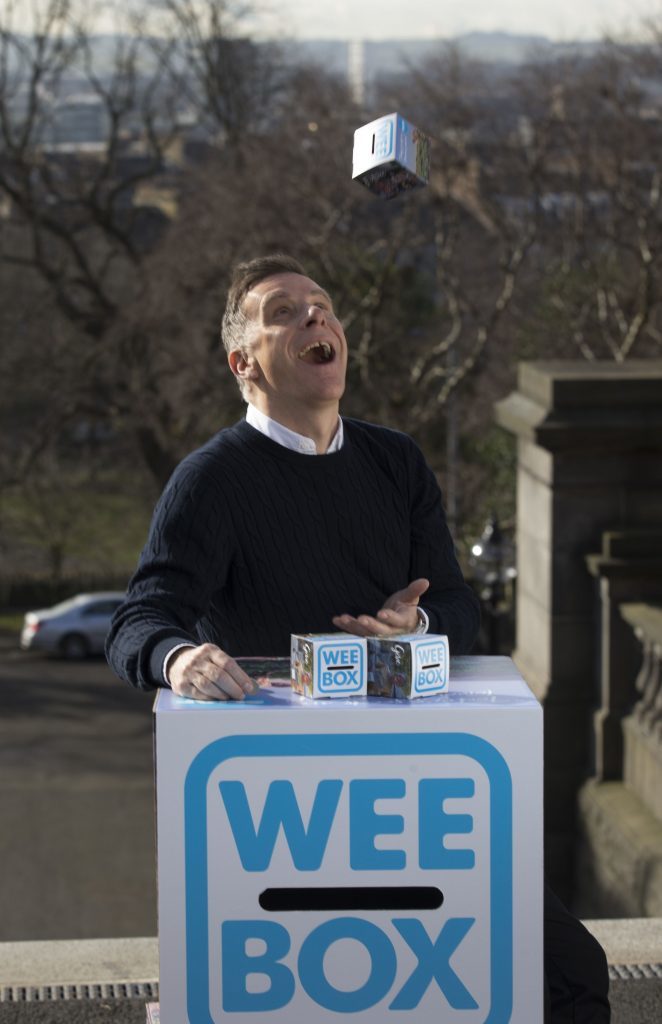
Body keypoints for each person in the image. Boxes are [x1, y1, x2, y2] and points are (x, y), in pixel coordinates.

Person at [106, 254, 610, 1022]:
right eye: (284, 311)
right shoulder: (210, 481)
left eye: (324, 305)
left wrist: (420, 624)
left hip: (422, 796)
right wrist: (181, 658)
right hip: (289, 819)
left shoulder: (397, 460)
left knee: (573, 970)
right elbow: (140, 619)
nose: (317, 318)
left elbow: (458, 605)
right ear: (243, 362)